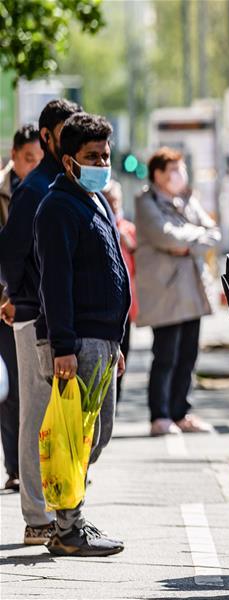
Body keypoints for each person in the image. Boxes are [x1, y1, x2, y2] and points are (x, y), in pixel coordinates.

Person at [33, 112, 129, 556]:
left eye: (106, 155)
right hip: (80, 341)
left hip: (104, 340)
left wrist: (117, 343)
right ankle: (68, 527)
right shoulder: (57, 207)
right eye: (93, 156)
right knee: (78, 435)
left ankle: (70, 519)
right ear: (69, 160)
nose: (102, 163)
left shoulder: (95, 200)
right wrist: (64, 346)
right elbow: (56, 282)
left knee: (97, 432)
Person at [0, 98, 82, 545]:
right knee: (35, 416)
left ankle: (60, 506)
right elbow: (10, 251)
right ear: (48, 135)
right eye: (66, 130)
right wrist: (19, 296)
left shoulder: (70, 182)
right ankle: (37, 516)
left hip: (65, 321)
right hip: (35, 320)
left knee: (65, 419)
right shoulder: (36, 188)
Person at [135, 148, 220, 437]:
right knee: (165, 355)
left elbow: (212, 232)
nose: (178, 175)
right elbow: (165, 235)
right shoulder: (146, 201)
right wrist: (191, 238)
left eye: (180, 169)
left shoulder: (188, 199)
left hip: (192, 291)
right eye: (172, 170)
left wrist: (187, 242)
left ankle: (180, 412)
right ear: (157, 174)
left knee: (188, 355)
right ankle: (159, 416)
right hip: (165, 293)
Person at [0, 124, 43, 492]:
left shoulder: (46, 190)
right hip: (5, 305)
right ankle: (15, 467)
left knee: (33, 387)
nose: (33, 165)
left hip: (28, 302)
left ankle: (37, 465)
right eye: (28, 158)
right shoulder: (4, 191)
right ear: (13, 156)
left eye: (38, 159)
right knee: (11, 388)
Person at [104, 180, 137, 401]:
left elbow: (138, 260)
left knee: (125, 350)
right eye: (109, 201)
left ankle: (117, 397)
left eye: (116, 201)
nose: (114, 206)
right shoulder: (97, 225)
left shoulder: (128, 229)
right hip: (104, 303)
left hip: (126, 304)